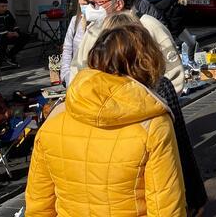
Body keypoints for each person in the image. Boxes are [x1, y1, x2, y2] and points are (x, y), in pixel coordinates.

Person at [25, 23, 186, 217]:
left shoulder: (56, 116)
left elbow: (39, 204)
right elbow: (165, 208)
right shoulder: (153, 123)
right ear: (148, 63)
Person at [101, 13, 208, 215]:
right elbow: (179, 144)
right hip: (147, 194)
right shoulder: (158, 86)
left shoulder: (87, 92)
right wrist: (196, 195)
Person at [67, 0, 183, 92]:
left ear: (118, 4)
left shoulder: (150, 27)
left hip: (143, 107)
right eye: (89, 2)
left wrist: (154, 105)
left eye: (96, 3)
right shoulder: (93, 30)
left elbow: (174, 75)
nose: (91, 9)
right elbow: (77, 70)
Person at [0, 0, 29, 68]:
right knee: (2, 39)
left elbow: (14, 24)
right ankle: (0, 61)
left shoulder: (7, 13)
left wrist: (16, 32)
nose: (5, 8)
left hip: (10, 34)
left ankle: (9, 55)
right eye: (2, 6)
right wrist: (6, 33)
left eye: (6, 6)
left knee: (25, 37)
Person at [60, 0, 87, 85]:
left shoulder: (98, 24)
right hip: (73, 76)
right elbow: (67, 48)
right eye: (80, 5)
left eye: (85, 4)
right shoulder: (75, 20)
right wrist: (65, 74)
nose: (82, 7)